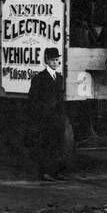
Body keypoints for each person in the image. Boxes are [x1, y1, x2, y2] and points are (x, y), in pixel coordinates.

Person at [27, 47, 67, 182]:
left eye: (57, 60)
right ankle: (44, 172)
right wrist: (42, 113)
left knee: (58, 145)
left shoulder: (60, 78)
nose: (56, 62)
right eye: (53, 60)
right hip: (45, 118)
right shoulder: (39, 78)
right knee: (46, 146)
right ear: (46, 61)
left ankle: (55, 172)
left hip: (58, 118)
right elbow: (33, 99)